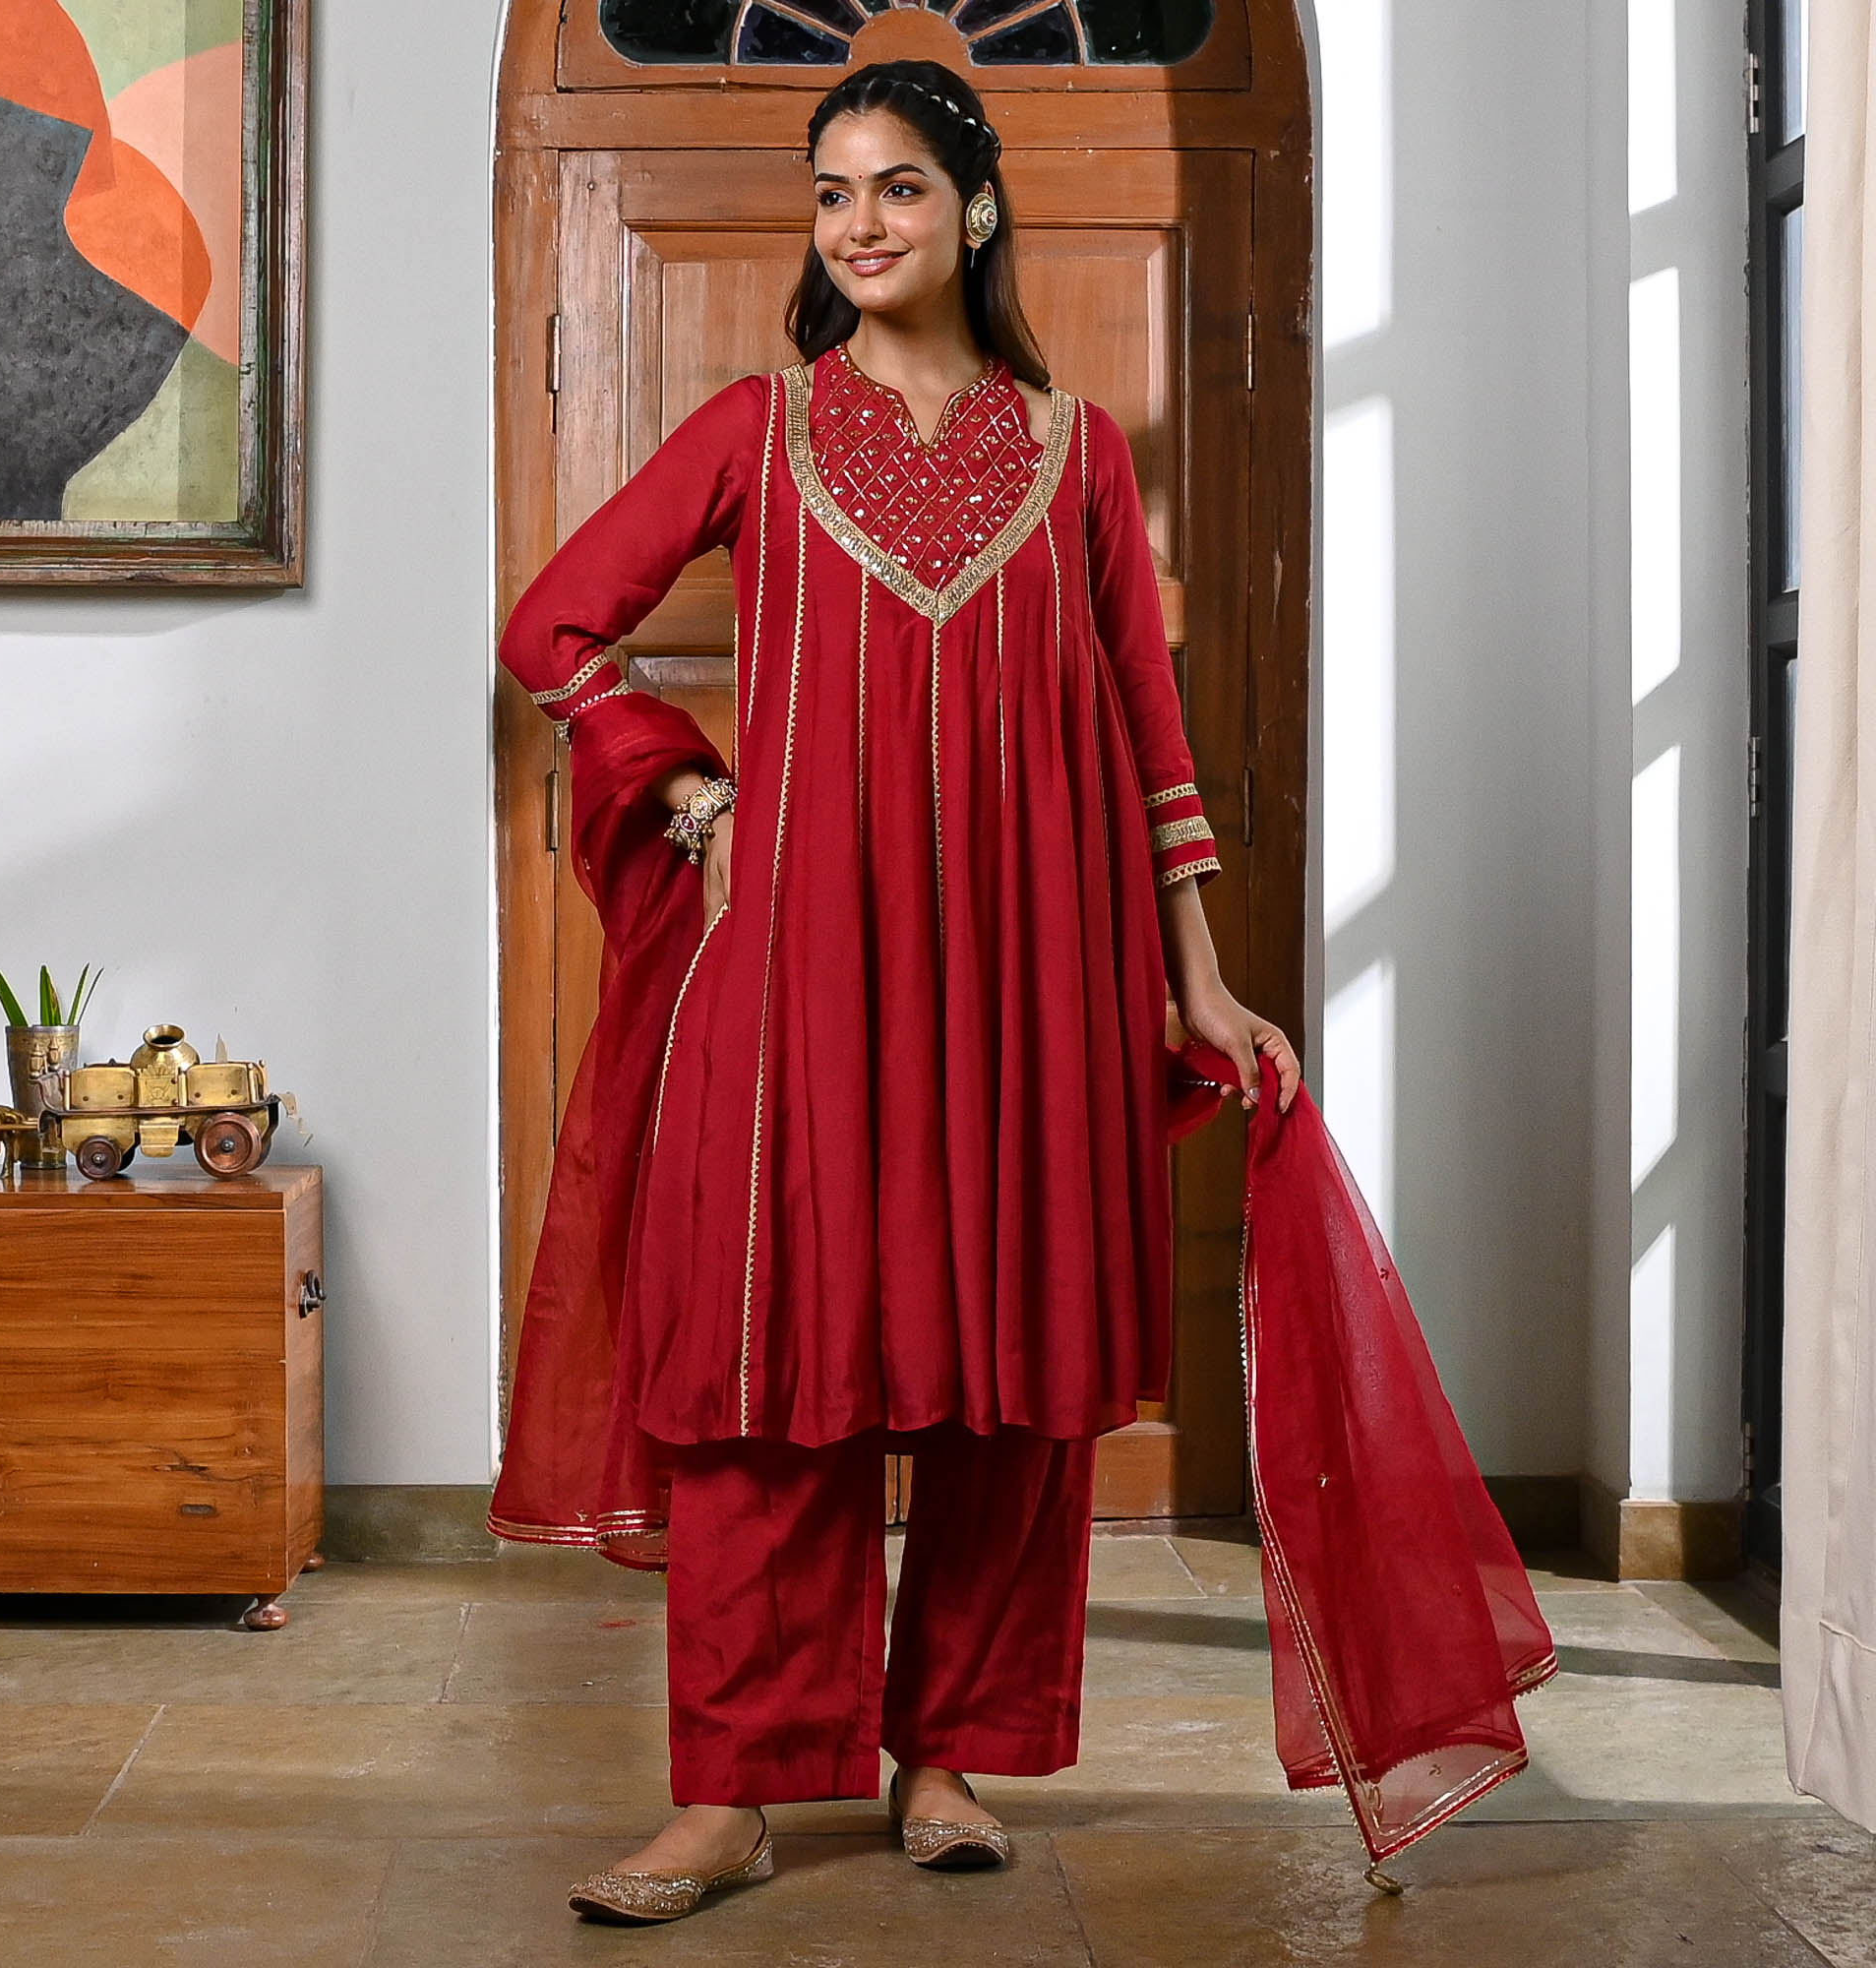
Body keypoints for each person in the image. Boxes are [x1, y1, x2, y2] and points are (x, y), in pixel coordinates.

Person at [492, 58, 1300, 1925]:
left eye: (901, 187)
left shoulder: (1075, 452)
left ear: (976, 207)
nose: (861, 224)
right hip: (799, 974)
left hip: (1038, 972)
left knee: (1006, 1366)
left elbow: (1150, 734)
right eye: (835, 191)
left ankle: (948, 1756)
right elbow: (554, 625)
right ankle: (730, 1797)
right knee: (771, 1357)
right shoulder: (757, 427)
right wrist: (689, 792)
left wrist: (1198, 980)